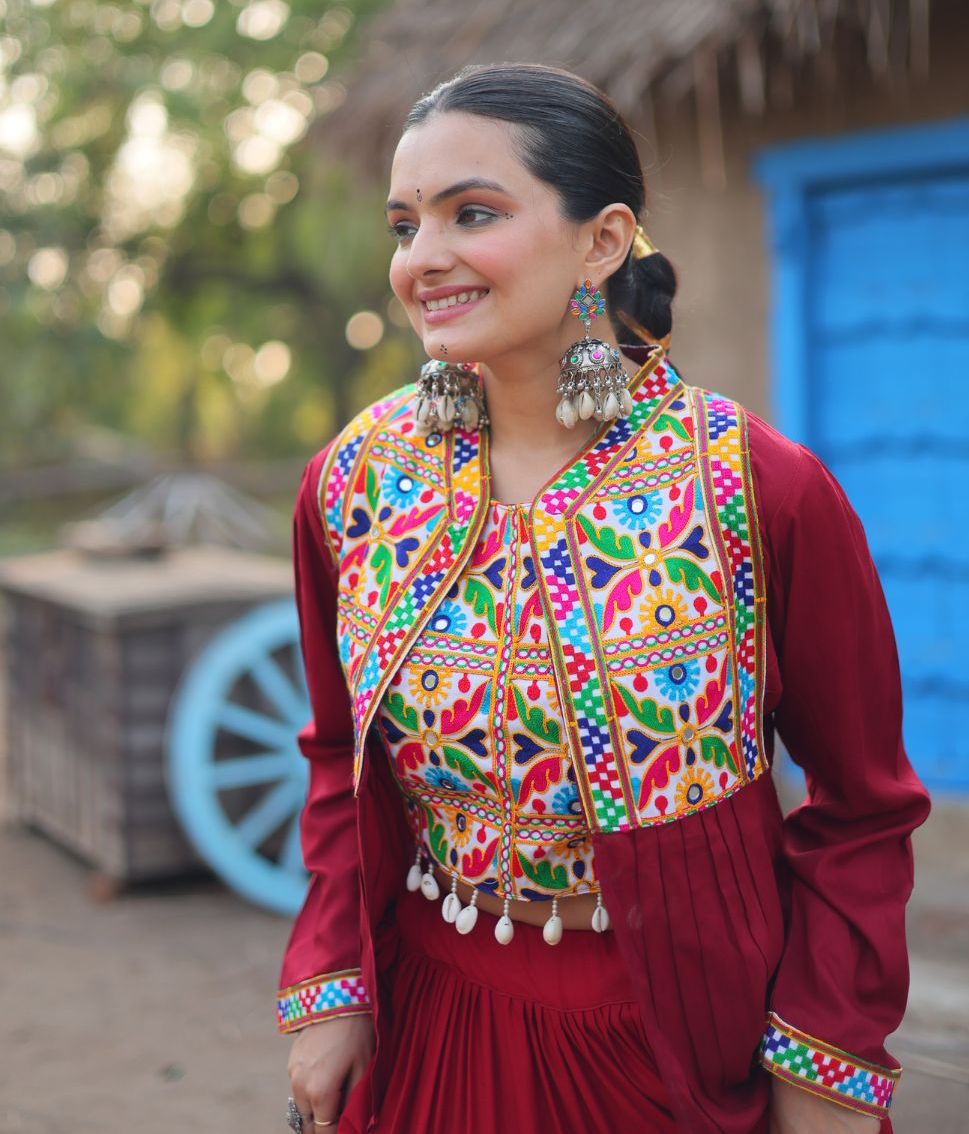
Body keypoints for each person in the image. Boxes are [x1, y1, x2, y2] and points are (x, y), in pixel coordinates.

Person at [277, 63, 930, 1134]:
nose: (421, 259)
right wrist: (332, 982)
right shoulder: (354, 484)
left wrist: (824, 1057)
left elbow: (864, 807)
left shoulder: (758, 490)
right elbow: (335, 754)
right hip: (428, 1028)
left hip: (677, 1039)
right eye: (405, 226)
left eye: (470, 214)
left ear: (603, 239)